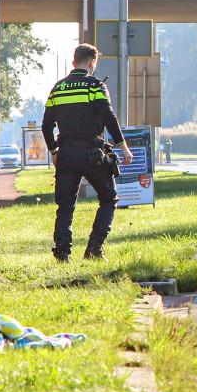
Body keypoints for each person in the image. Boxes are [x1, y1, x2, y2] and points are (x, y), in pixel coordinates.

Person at [41, 44, 133, 261]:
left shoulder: (57, 88)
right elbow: (110, 118)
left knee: (65, 206)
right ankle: (94, 249)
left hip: (66, 154)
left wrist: (54, 151)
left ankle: (62, 253)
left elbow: (46, 126)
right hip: (92, 153)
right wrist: (124, 148)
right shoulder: (95, 86)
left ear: (74, 62)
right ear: (92, 62)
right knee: (109, 198)